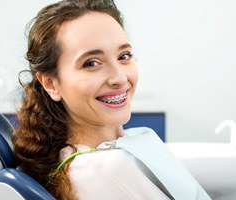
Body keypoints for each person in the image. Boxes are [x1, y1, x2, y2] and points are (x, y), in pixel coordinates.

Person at [12, 0, 211, 199]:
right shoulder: (107, 170)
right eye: (91, 63)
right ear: (51, 84)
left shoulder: (110, 153)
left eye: (124, 56)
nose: (119, 78)